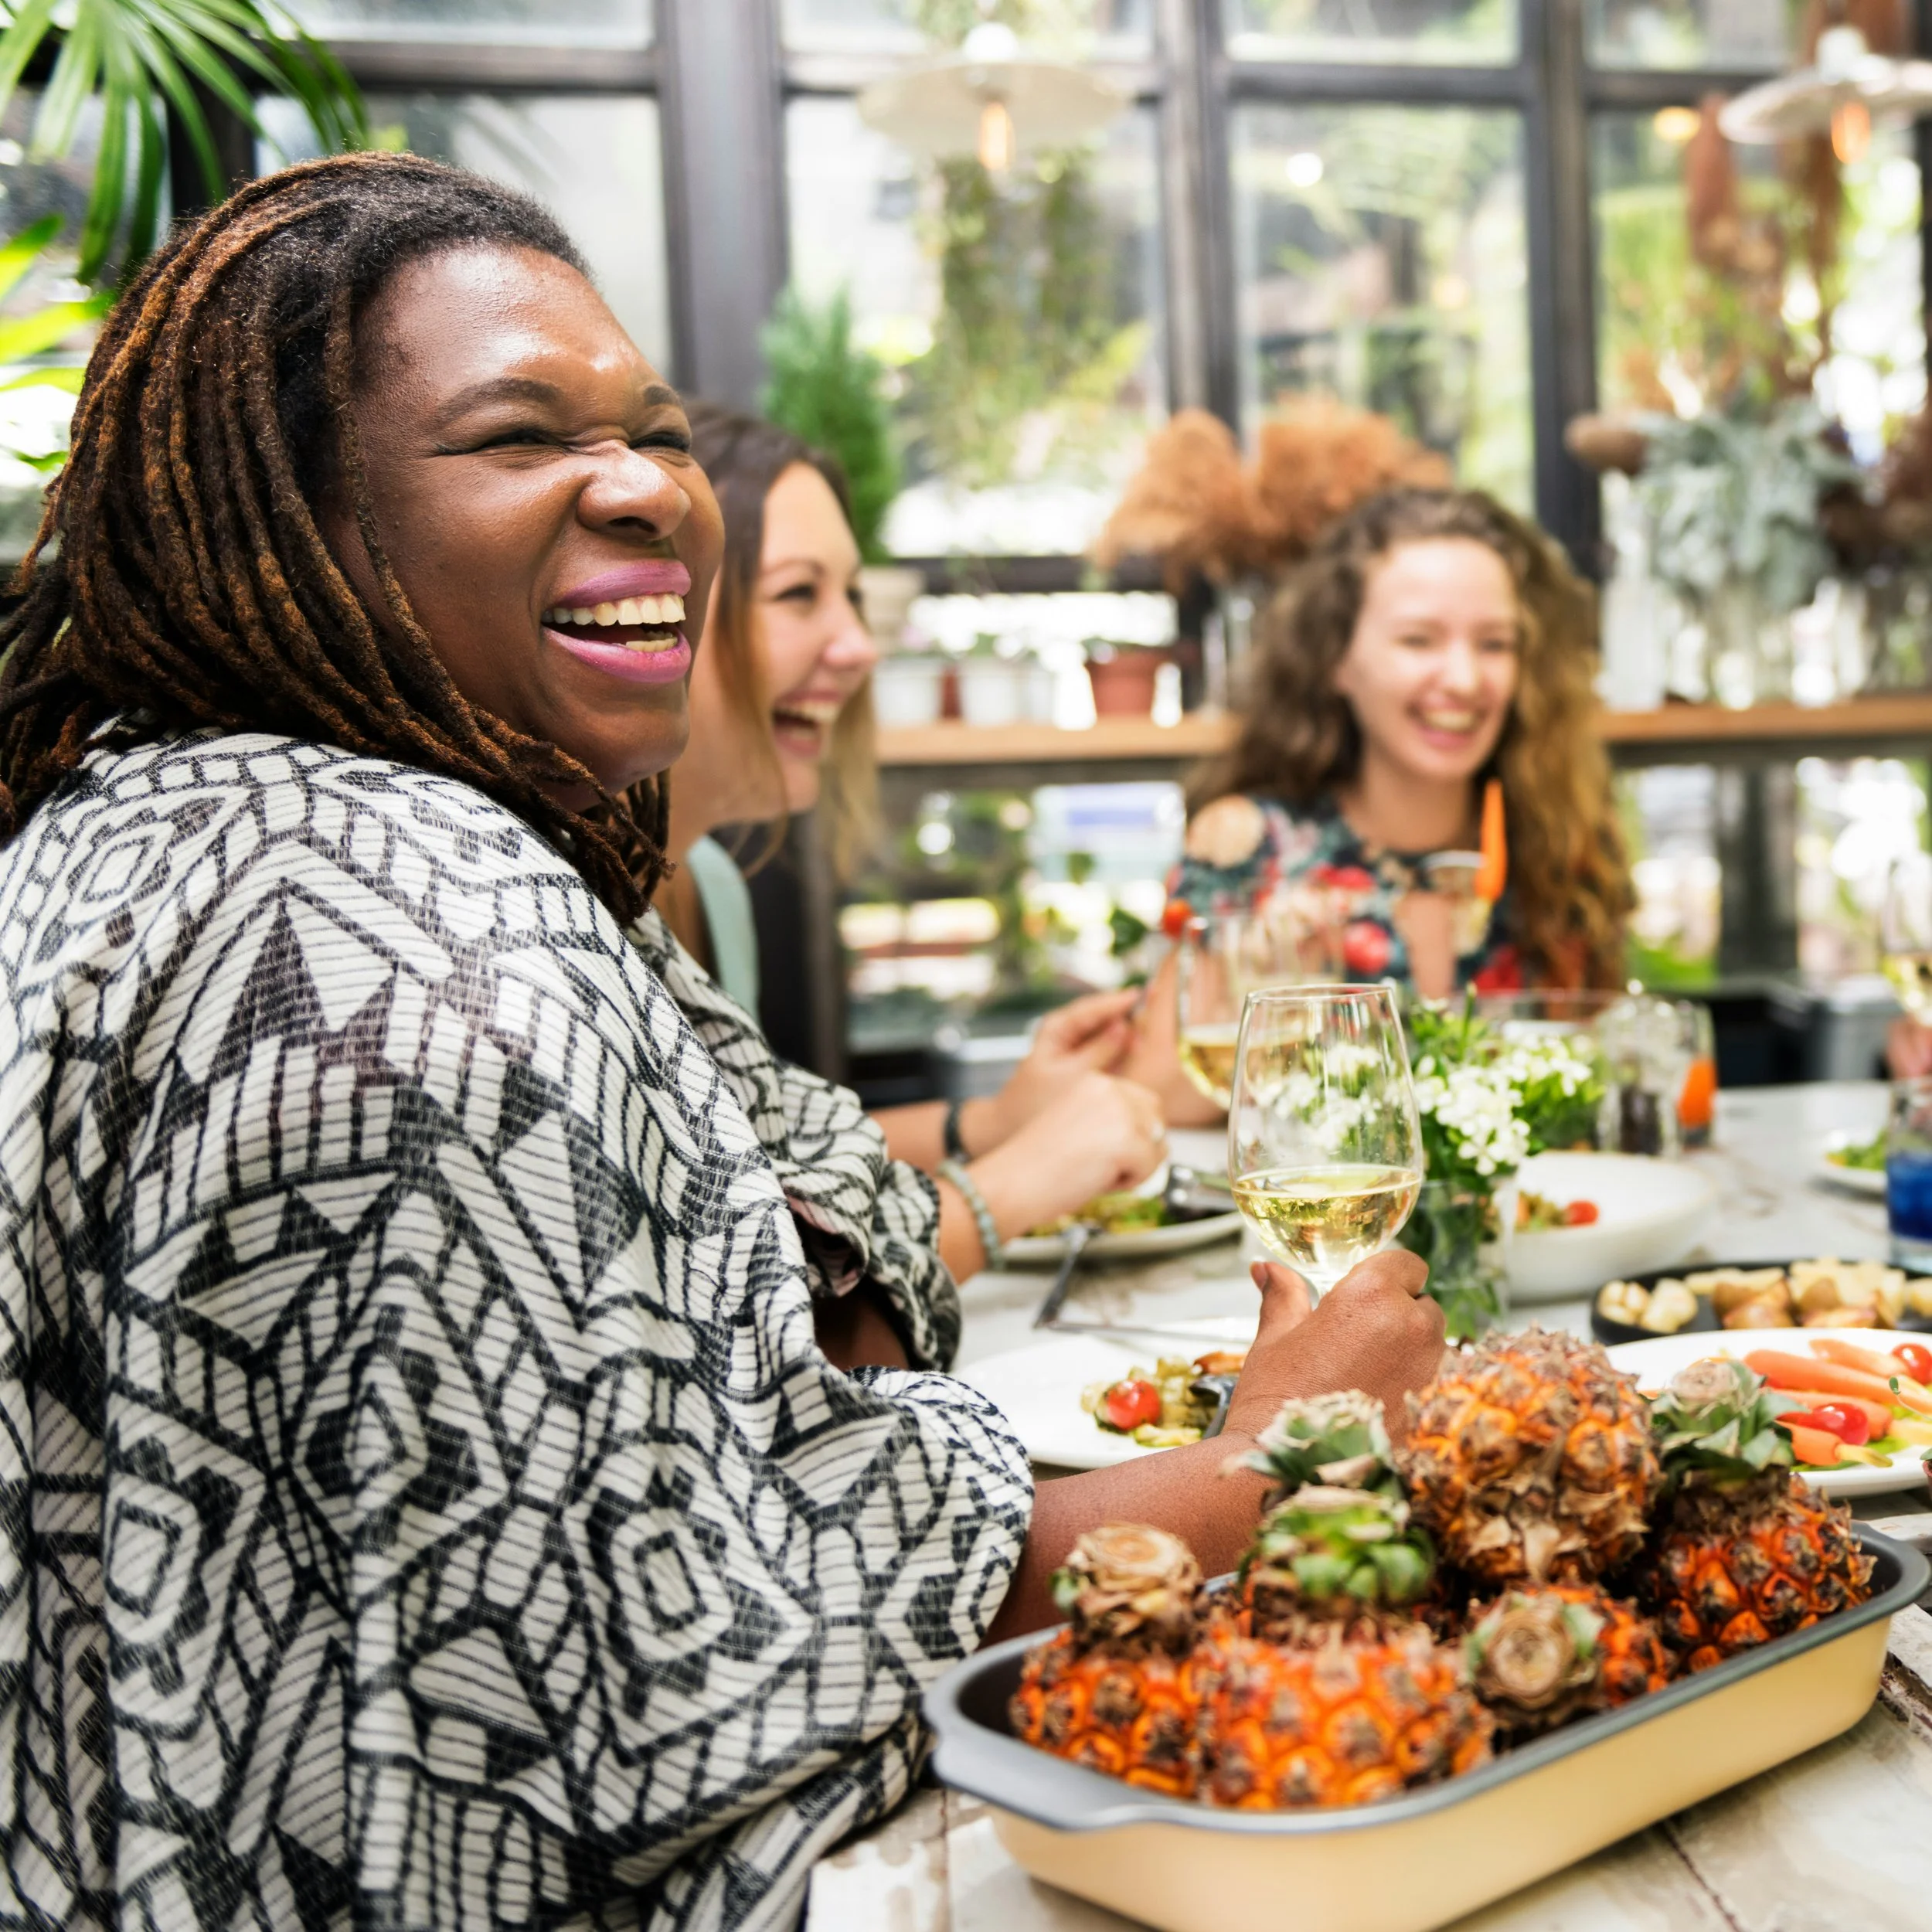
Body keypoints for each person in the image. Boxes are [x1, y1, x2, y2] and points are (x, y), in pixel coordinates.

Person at [0, 152, 1447, 1930]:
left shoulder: (134, 816)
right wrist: (1275, 1455)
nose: (648, 490)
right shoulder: (425, 942)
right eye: (518, 435)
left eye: (654, 428)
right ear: (299, 520)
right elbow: (675, 1684)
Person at [659, 403, 1167, 1279]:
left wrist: (994, 1122)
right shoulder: (562, 915)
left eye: (850, 597)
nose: (858, 646)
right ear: (661, 613)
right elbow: (725, 1282)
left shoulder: (711, 885)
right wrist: (1011, 1183)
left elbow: (769, 1160)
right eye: (796, 594)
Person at [1130, 486, 1633, 1122]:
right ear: (1337, 659)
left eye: (1495, 644)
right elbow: (1149, 1106)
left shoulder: (1562, 839)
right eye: (1419, 641)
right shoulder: (1246, 846)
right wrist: (1257, 1000)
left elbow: (1604, 1081)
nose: (1464, 679)